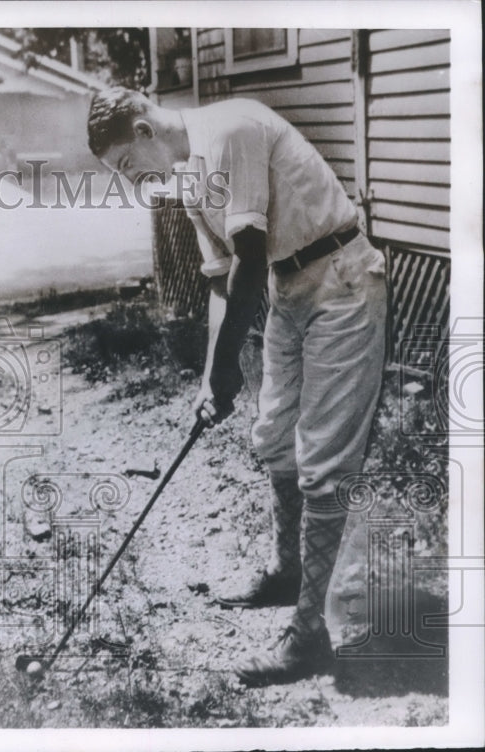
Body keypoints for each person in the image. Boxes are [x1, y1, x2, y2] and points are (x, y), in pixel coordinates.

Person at [86, 88, 387, 686]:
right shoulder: (186, 176)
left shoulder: (229, 130)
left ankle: (308, 637)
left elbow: (249, 254)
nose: (130, 180)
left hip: (341, 281)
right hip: (287, 289)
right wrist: (211, 377)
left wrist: (228, 366)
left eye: (126, 164)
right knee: (274, 435)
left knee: (323, 461)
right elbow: (223, 281)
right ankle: (285, 571)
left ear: (144, 131)